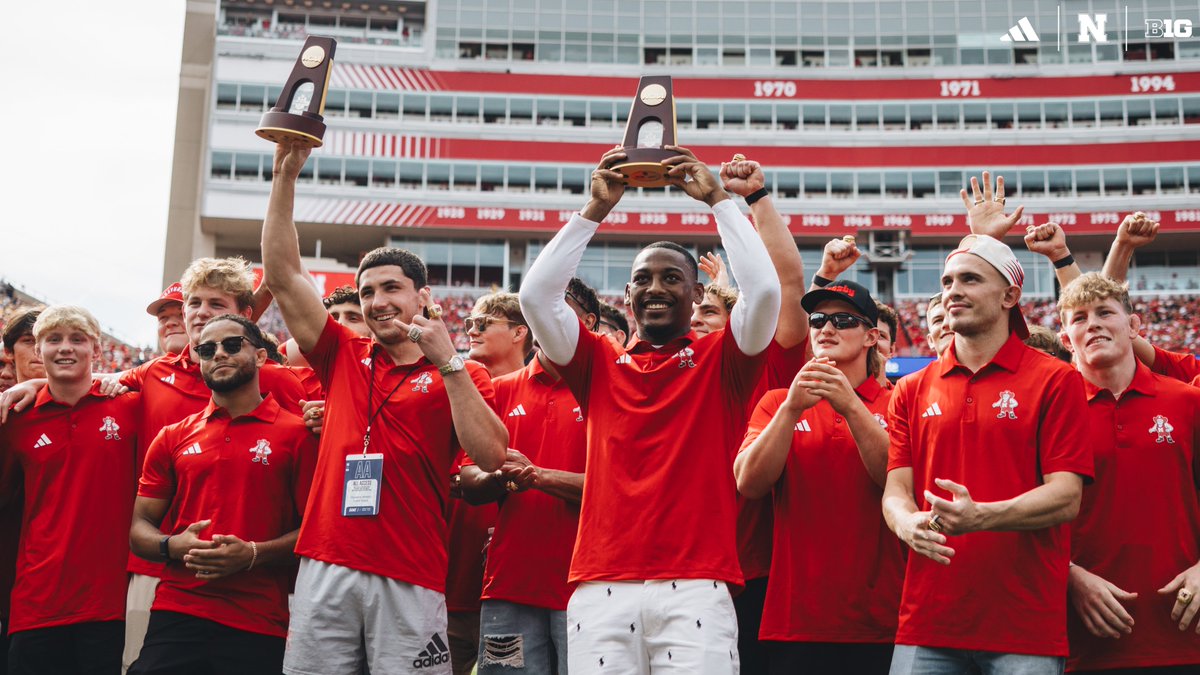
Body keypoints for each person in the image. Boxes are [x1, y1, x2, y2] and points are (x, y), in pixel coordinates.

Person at [519, 145, 781, 673]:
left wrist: (717, 200)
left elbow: (765, 289)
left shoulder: (725, 359)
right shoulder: (596, 362)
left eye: (670, 278)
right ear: (628, 294)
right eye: (643, 279)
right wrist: (594, 210)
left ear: (695, 293)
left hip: (698, 584)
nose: (655, 288)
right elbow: (536, 296)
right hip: (600, 584)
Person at [263, 139, 507, 675]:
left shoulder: (465, 373)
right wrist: (285, 178)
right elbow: (283, 275)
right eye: (366, 291)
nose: (376, 302)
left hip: (410, 571)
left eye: (391, 288)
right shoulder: (342, 353)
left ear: (423, 296)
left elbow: (492, 455)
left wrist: (448, 363)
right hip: (326, 561)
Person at [883, 234, 1092, 674]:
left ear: (1010, 296)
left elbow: (1066, 496)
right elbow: (895, 491)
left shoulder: (1056, 380)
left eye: (970, 279)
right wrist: (906, 523)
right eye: (947, 281)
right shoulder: (911, 388)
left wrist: (982, 516)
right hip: (926, 622)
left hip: (1024, 627)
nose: (952, 290)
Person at [127, 315, 317, 675]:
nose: (219, 354)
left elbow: (317, 532)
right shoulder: (172, 436)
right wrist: (172, 546)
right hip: (177, 610)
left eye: (232, 345)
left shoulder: (298, 435)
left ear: (261, 357)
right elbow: (140, 527)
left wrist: (254, 554)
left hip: (258, 619)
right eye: (206, 349)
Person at [735, 281, 900, 674]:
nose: (827, 328)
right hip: (796, 621)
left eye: (843, 320)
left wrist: (850, 406)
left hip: (881, 622)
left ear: (871, 338)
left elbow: (894, 478)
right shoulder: (778, 401)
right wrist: (791, 410)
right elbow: (749, 482)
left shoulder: (899, 401)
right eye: (819, 319)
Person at [1056, 273, 1200, 673]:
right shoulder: (1049, 413)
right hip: (1081, 643)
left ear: (1135, 327)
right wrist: (1069, 577)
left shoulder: (1189, 402)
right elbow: (1027, 520)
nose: (1094, 323)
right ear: (1067, 339)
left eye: (1105, 312)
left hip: (1183, 637)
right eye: (1079, 318)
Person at [0, 306, 141, 675]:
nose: (66, 348)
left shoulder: (131, 407)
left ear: (97, 350)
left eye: (77, 339)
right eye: (54, 340)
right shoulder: (14, 419)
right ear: (39, 350)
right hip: (35, 605)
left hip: (109, 605)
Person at [460, 285, 593, 674]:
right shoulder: (499, 390)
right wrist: (499, 475)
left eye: (562, 311)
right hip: (510, 586)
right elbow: (468, 480)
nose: (551, 320)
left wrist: (539, 476)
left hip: (587, 587)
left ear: (588, 323)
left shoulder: (606, 389)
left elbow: (619, 490)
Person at [445, 292, 531, 675]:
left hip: (517, 585)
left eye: (484, 323)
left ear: (519, 333)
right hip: (452, 577)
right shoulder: (448, 387)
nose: (472, 330)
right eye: (469, 324)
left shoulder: (542, 390)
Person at [146, 283, 188, 356]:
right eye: (163, 317)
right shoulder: (146, 367)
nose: (170, 323)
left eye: (182, 314)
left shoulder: (213, 366)